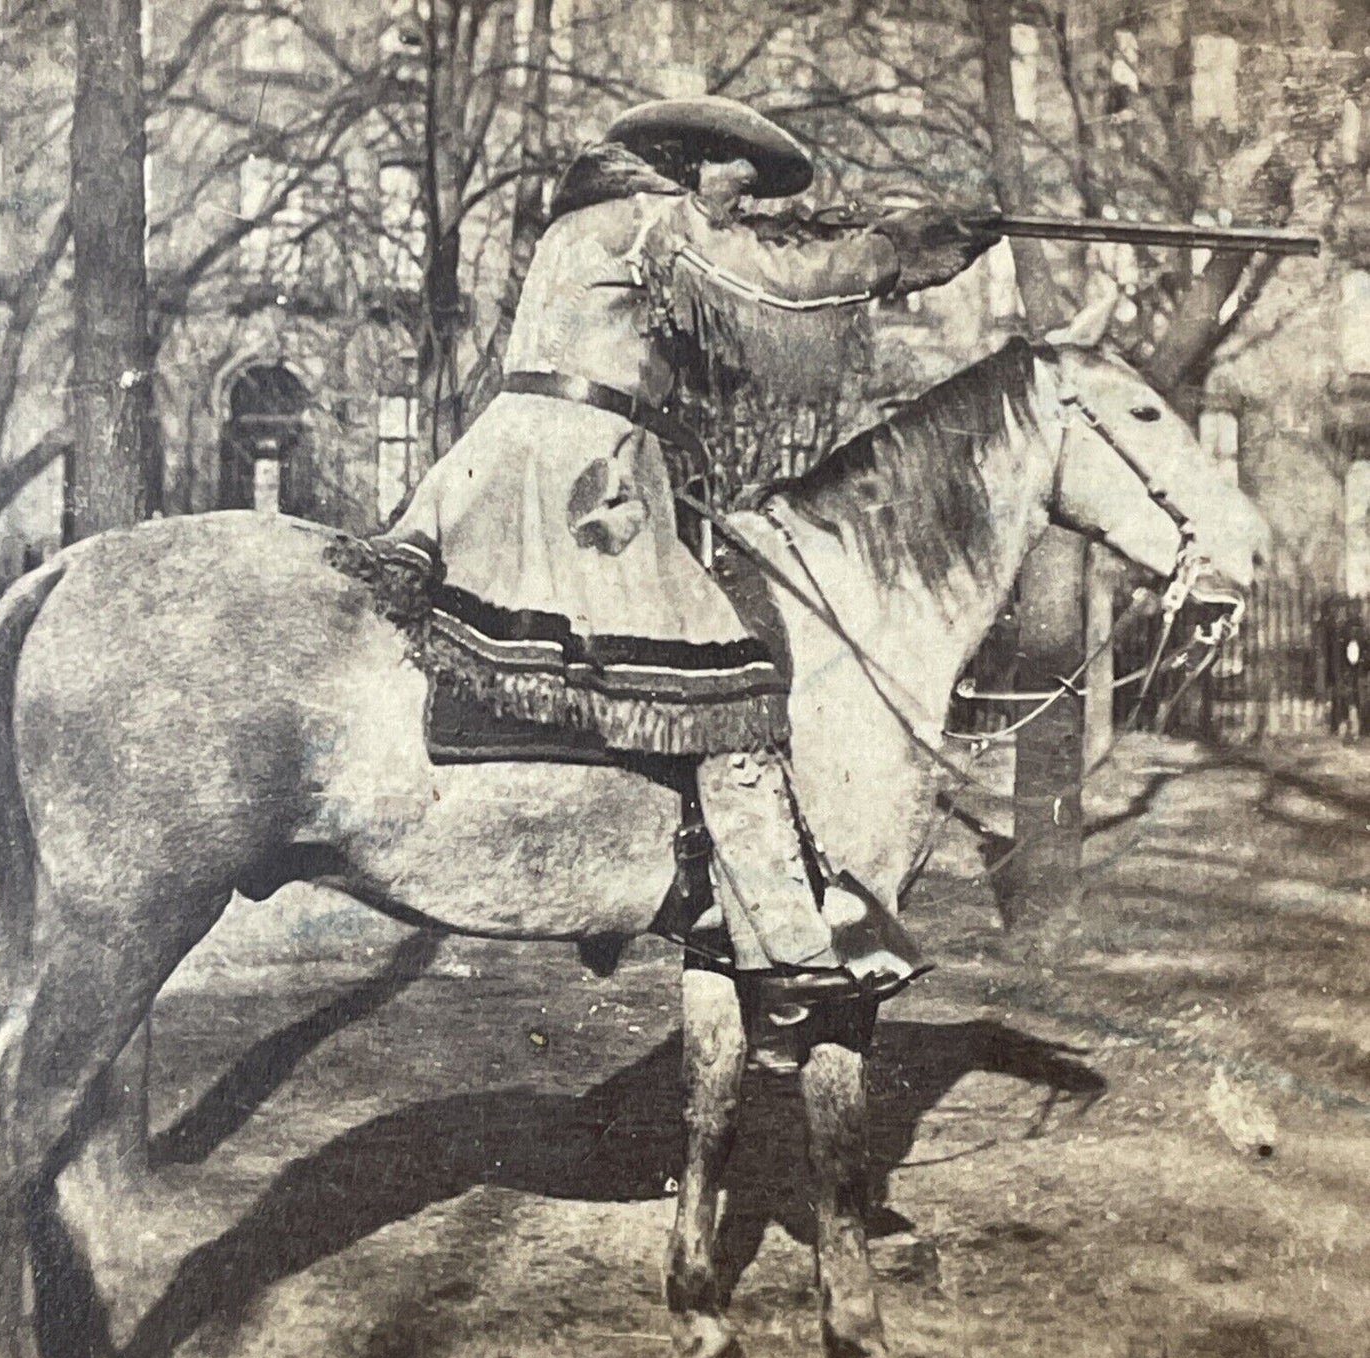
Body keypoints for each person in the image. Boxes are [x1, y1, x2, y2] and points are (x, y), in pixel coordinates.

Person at [386, 96, 992, 1028]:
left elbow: (713, 349)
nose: (740, 210)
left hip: (541, 455)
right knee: (733, 683)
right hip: (585, 472)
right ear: (687, 163)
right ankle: (787, 946)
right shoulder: (653, 223)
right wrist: (895, 254)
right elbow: (775, 295)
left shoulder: (594, 222)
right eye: (734, 189)